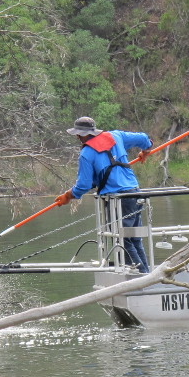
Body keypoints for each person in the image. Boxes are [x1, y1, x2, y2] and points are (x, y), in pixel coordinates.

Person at [56, 117, 153, 273]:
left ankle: (141, 276)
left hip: (118, 198)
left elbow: (84, 185)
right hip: (134, 192)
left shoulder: (86, 154)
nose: (77, 137)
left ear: (81, 135)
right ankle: (146, 273)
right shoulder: (115, 136)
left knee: (122, 239)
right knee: (134, 238)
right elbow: (144, 138)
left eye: (78, 134)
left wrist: (68, 196)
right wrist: (146, 150)